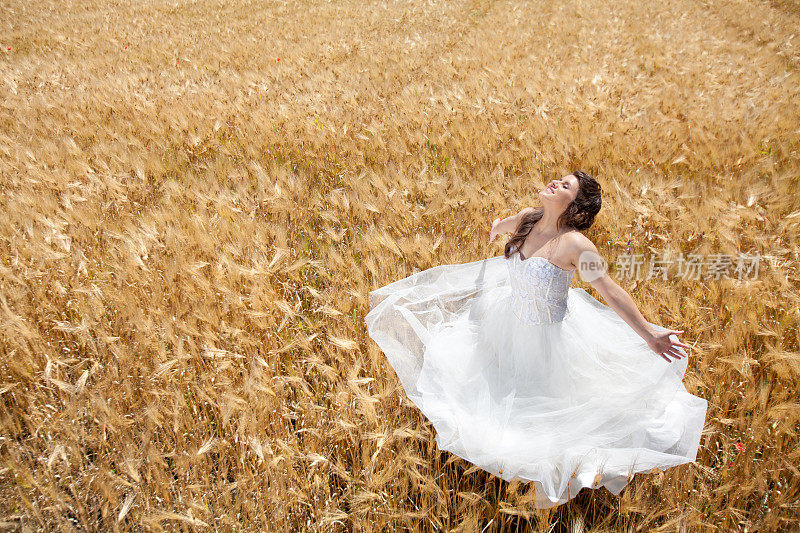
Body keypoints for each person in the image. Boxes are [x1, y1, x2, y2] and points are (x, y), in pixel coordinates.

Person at [364, 171, 708, 508]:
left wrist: (648, 333)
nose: (555, 182)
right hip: (507, 322)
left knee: (547, 420)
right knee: (485, 389)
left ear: (576, 207)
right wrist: (497, 226)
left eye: (566, 186)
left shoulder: (575, 244)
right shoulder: (530, 218)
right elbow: (506, 223)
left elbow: (609, 290)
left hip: (548, 341)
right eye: (558, 179)